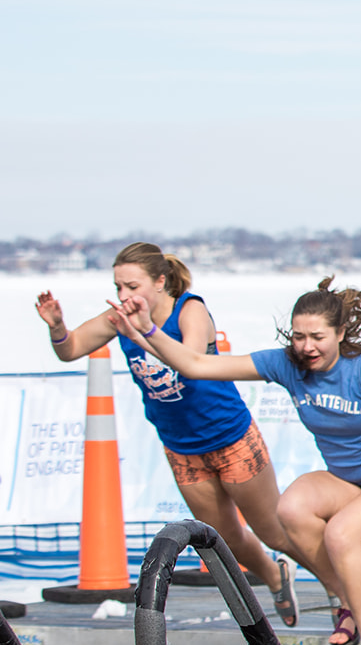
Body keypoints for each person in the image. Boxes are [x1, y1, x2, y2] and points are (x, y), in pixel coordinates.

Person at [113, 277, 361, 645]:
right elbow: (197, 366)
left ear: (341, 335)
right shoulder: (285, 365)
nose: (307, 347)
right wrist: (148, 330)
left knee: (342, 532)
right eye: (299, 336)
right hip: (352, 482)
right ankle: (343, 602)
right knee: (290, 509)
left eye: (318, 337)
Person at [35, 242, 318, 624]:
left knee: (275, 532)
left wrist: (142, 332)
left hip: (230, 437)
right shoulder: (120, 318)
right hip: (182, 448)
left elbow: (189, 363)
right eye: (118, 287)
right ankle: (274, 576)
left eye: (132, 286)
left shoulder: (190, 310)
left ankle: (338, 590)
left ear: (160, 282)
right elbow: (70, 350)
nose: (123, 296)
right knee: (226, 539)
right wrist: (57, 326)